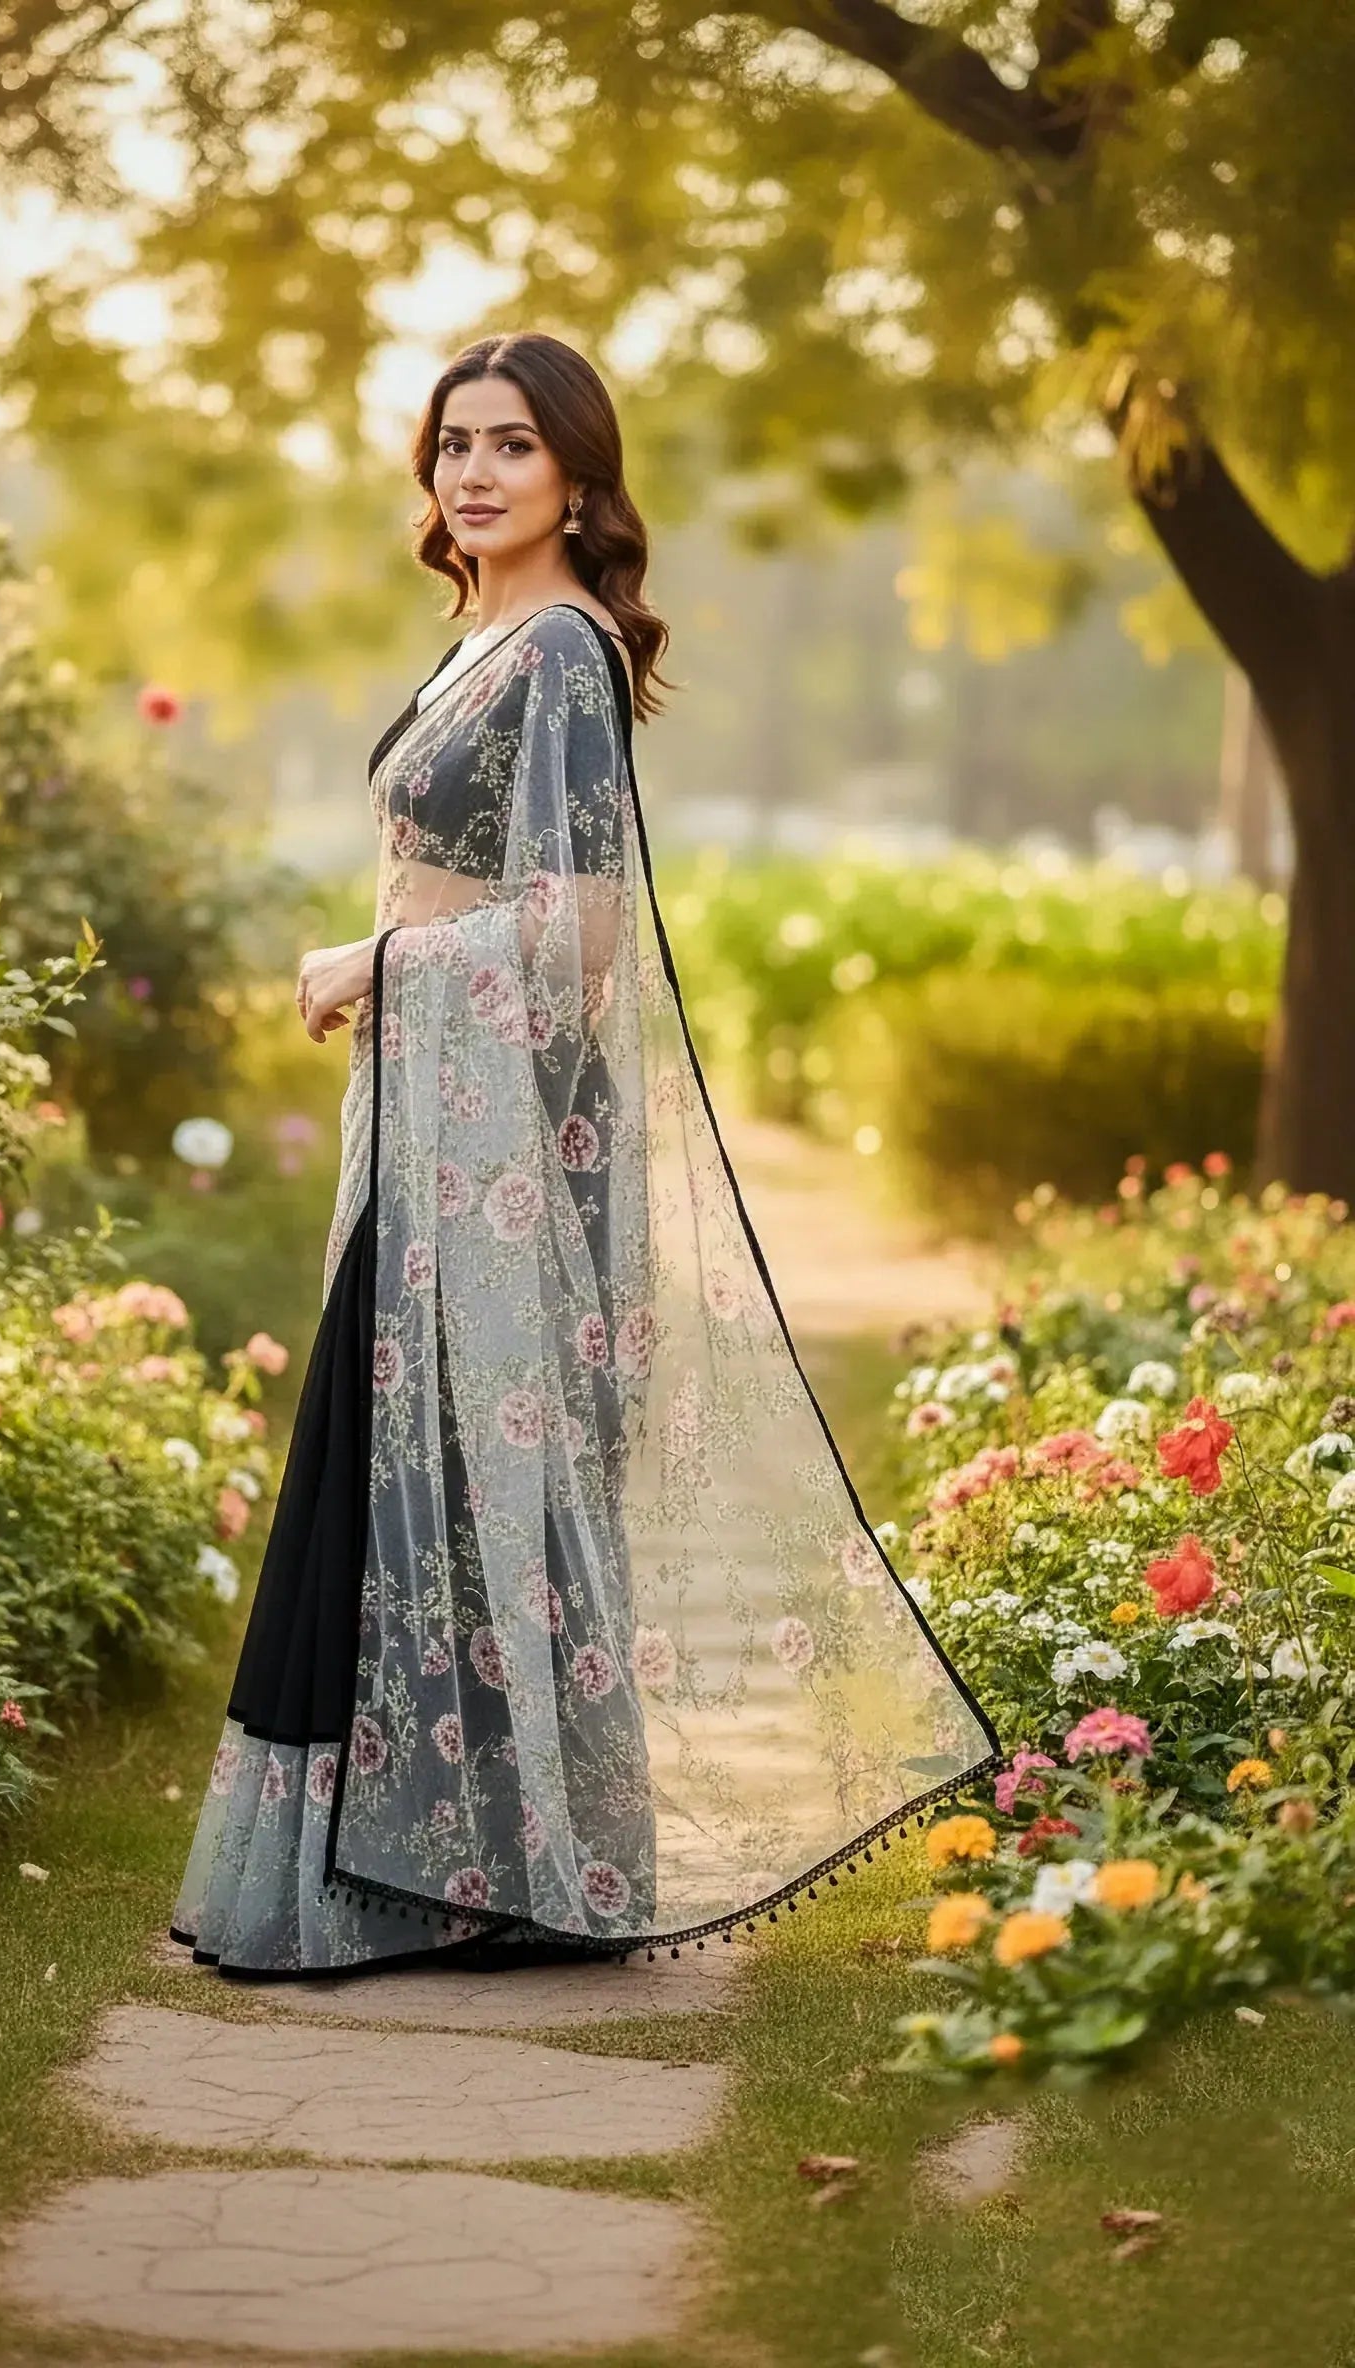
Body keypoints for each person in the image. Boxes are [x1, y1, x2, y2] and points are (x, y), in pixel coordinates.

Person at [171, 330, 997, 1980]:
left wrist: (374, 965)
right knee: (409, 1472)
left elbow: (580, 943)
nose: (474, 472)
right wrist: (390, 970)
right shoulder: (484, 640)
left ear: (575, 475)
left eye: (512, 446)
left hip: (510, 1150)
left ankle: (513, 1876)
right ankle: (452, 1873)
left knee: (491, 1475)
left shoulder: (559, 652)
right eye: (454, 444)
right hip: (432, 1122)